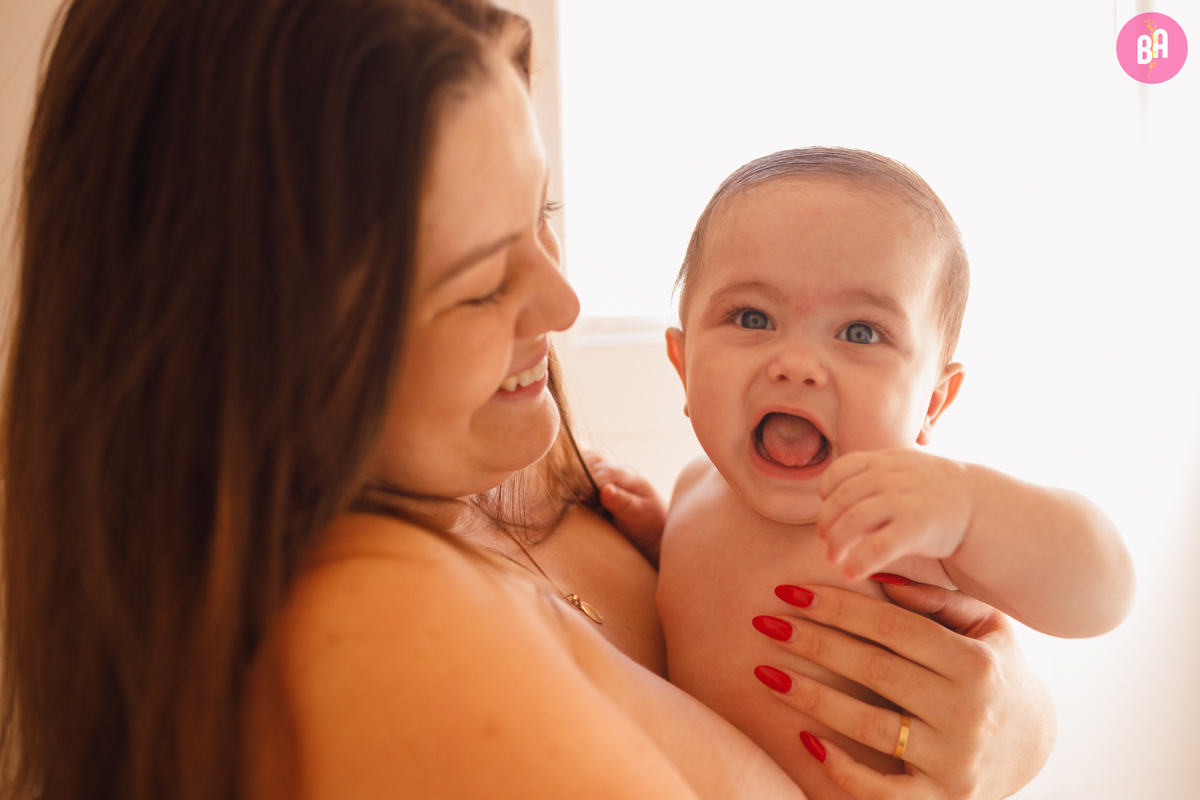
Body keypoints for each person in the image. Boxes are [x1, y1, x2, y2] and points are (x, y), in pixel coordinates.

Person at [0, 2, 1056, 798]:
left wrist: (1013, 719)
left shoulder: (519, 473)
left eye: (541, 212)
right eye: (478, 275)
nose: (562, 296)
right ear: (256, 323)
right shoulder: (366, 616)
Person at [611, 148, 1133, 799]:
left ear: (934, 401)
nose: (796, 363)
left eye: (860, 332)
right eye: (752, 318)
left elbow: (1103, 592)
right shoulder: (693, 488)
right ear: (682, 364)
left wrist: (972, 507)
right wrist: (657, 542)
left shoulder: (911, 520)